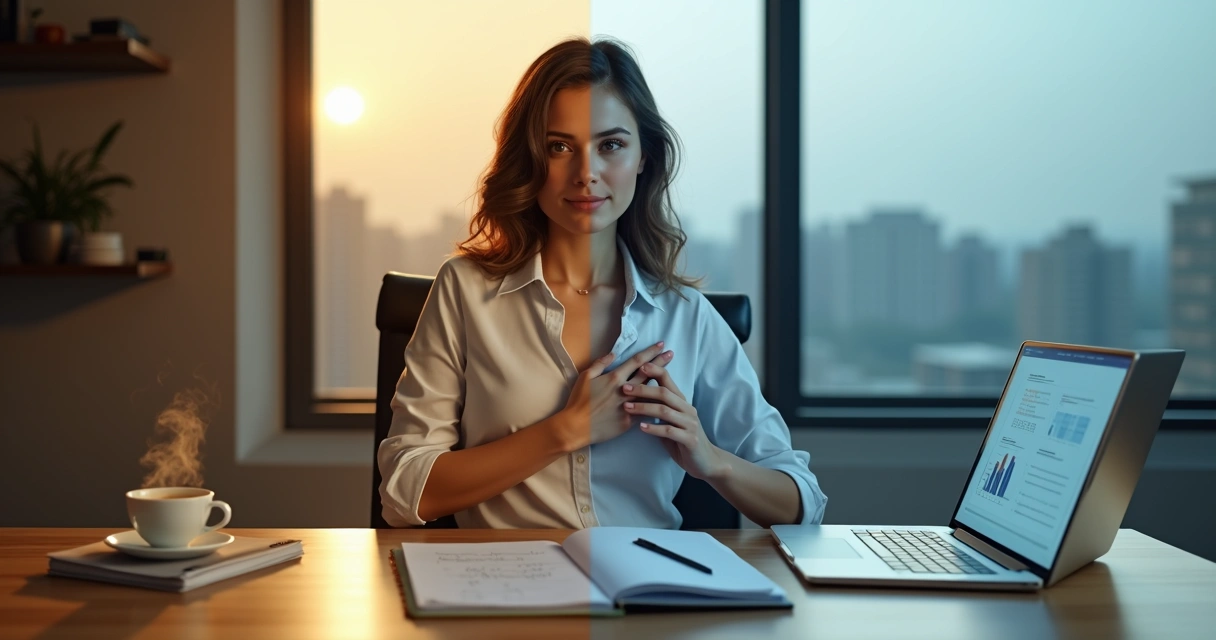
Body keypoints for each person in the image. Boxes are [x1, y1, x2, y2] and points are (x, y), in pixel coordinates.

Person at [378, 37, 827, 529]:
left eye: (610, 145)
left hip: (648, 589)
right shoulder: (464, 291)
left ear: (643, 158)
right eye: (559, 147)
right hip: (505, 588)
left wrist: (709, 458)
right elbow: (405, 491)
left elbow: (801, 502)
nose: (586, 173)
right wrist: (563, 431)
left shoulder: (686, 314)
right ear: (530, 159)